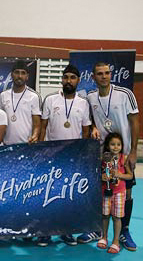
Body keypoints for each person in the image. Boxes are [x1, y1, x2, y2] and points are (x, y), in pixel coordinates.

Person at [79, 62, 139, 250]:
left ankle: (124, 231)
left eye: (106, 73)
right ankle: (98, 230)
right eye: (99, 74)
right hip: (103, 156)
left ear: (110, 74)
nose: (104, 76)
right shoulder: (89, 97)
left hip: (124, 154)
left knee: (125, 192)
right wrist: (94, 128)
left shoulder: (124, 94)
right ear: (93, 77)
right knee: (101, 191)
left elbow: (135, 122)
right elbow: (87, 118)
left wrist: (134, 151)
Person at [37, 64, 91, 247]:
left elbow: (85, 131)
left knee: (68, 196)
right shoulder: (51, 100)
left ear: (78, 80)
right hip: (52, 155)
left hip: (73, 157)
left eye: (72, 77)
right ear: (62, 79)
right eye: (66, 77)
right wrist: (41, 151)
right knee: (48, 195)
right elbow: (43, 127)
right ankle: (45, 232)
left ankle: (66, 231)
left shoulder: (83, 103)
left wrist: (82, 155)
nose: (69, 80)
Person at [97, 133, 132, 254]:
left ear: (122, 146)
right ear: (107, 145)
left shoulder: (124, 158)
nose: (116, 147)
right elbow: (97, 173)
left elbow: (130, 176)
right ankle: (104, 237)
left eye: (118, 144)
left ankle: (116, 241)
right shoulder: (103, 158)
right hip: (105, 191)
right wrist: (101, 176)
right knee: (105, 216)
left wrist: (119, 175)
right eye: (112, 144)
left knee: (117, 217)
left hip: (119, 193)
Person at [0, 60, 41, 145]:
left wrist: (35, 136)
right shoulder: (3, 95)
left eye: (23, 73)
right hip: (6, 144)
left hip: (26, 145)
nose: (19, 76)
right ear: (11, 75)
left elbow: (37, 123)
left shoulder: (34, 96)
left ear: (27, 76)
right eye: (17, 72)